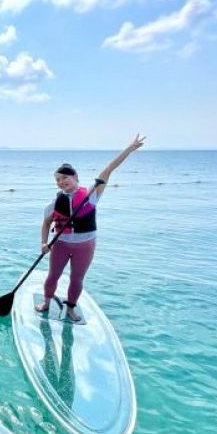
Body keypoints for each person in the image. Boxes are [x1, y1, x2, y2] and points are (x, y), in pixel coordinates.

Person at [35, 134, 146, 321]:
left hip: (85, 246)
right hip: (61, 244)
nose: (61, 182)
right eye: (58, 180)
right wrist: (44, 243)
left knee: (77, 279)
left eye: (64, 178)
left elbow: (109, 169)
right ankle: (46, 302)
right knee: (53, 275)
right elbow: (46, 223)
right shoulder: (54, 203)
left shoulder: (92, 194)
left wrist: (129, 148)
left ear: (75, 177)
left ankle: (70, 308)